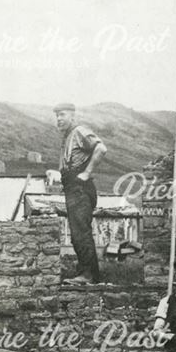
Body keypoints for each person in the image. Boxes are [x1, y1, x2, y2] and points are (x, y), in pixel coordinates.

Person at [53, 103, 107, 285]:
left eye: (62, 115)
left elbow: (101, 149)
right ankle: (89, 274)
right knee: (78, 233)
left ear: (73, 116)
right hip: (72, 188)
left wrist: (87, 173)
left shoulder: (79, 131)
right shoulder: (68, 137)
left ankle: (88, 275)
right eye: (57, 116)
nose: (59, 119)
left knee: (80, 233)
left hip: (80, 188)